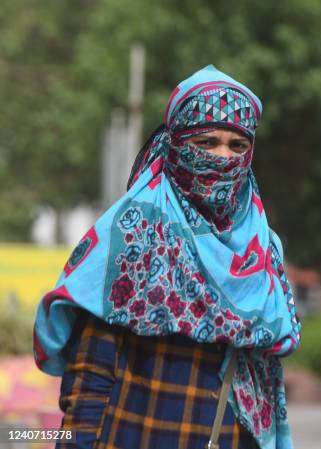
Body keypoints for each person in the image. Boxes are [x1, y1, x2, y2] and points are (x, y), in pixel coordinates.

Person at [32, 64, 301, 449]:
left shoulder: (263, 249)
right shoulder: (136, 228)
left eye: (236, 145)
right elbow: (90, 375)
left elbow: (265, 387)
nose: (223, 157)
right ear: (176, 145)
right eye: (206, 143)